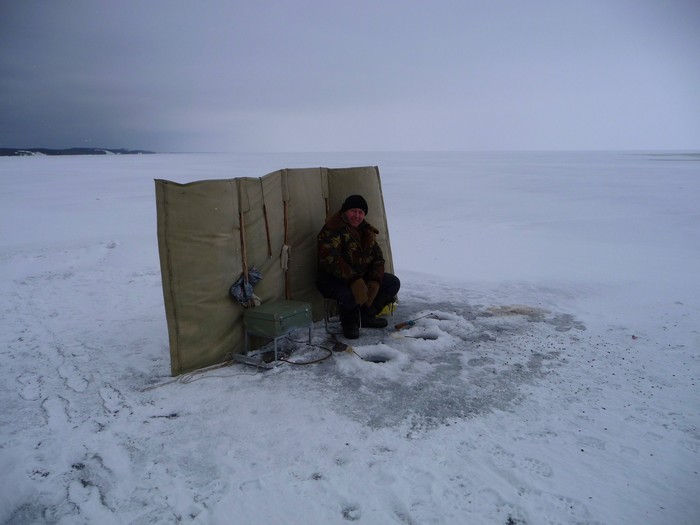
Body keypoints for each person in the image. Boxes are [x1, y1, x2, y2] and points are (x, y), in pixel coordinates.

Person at [316, 194, 400, 339]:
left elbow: (378, 259)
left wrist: (374, 280)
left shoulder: (367, 232)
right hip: (331, 278)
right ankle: (349, 322)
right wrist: (353, 280)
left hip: (360, 276)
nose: (357, 215)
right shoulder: (331, 229)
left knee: (392, 283)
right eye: (353, 211)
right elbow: (331, 259)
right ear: (345, 212)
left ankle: (366, 315)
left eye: (361, 212)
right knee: (349, 294)